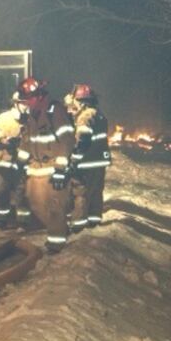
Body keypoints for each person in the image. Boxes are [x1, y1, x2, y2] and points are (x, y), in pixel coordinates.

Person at [15, 77, 75, 252]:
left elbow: (67, 139)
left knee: (55, 208)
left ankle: (57, 244)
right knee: (36, 206)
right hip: (35, 170)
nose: (28, 103)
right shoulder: (31, 116)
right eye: (26, 99)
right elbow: (27, 141)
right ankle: (61, 229)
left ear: (40, 96)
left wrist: (61, 169)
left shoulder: (55, 111)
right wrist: (20, 161)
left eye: (30, 98)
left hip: (53, 168)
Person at [68, 84, 111, 231]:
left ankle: (77, 226)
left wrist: (74, 159)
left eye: (76, 102)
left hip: (86, 162)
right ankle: (94, 220)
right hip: (99, 161)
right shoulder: (99, 114)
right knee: (96, 191)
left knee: (81, 192)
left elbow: (83, 140)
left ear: (82, 102)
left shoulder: (85, 116)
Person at [0, 92, 30, 231]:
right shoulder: (3, 118)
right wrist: (2, 140)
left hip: (21, 163)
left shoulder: (30, 120)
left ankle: (22, 223)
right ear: (16, 103)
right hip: (4, 161)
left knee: (21, 193)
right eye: (24, 103)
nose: (26, 106)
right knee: (2, 192)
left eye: (28, 103)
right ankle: (2, 221)